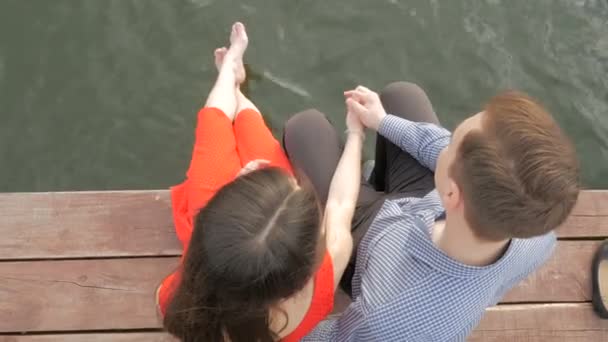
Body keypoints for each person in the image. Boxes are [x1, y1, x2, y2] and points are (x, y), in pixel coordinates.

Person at [283, 83, 580, 341]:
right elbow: (438, 149)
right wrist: (383, 121)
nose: (444, 142)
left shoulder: (386, 317)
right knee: (402, 95)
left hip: (368, 243)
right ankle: (376, 179)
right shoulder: (538, 240)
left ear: (451, 192)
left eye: (451, 142)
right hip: (426, 205)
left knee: (305, 127)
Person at [155, 22, 366, 342]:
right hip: (225, 248)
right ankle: (238, 87)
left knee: (216, 128)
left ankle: (230, 76)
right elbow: (340, 203)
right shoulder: (325, 276)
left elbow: (212, 113)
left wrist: (234, 189)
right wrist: (356, 135)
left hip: (219, 241)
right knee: (258, 142)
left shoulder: (183, 302)